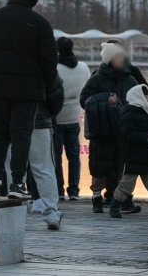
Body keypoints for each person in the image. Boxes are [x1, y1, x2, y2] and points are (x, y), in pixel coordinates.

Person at [0, 0, 58, 200]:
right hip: (28, 91)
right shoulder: (40, 24)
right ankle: (18, 182)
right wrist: (45, 86)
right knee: (22, 135)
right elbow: (49, 63)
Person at [80, 42, 139, 213]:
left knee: (122, 166)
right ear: (110, 59)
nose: (122, 59)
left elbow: (140, 98)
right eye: (118, 56)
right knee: (100, 165)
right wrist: (105, 99)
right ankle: (97, 198)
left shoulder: (129, 79)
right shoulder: (96, 79)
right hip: (101, 130)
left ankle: (122, 199)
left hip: (123, 130)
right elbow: (84, 100)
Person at [109, 85, 148, 220]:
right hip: (132, 156)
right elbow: (128, 135)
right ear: (138, 97)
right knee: (126, 185)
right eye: (145, 97)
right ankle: (114, 206)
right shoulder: (128, 114)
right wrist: (147, 137)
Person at [24, 77, 65, 230]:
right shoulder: (41, 62)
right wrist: (50, 112)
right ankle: (51, 212)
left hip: (8, 119)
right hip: (39, 117)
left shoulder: (1, 61)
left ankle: (13, 211)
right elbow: (56, 89)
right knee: (44, 168)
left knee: (12, 168)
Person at [54, 37, 89, 201]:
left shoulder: (54, 68)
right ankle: (74, 190)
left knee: (56, 156)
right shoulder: (83, 67)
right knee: (74, 156)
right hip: (75, 116)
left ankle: (59, 190)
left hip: (57, 117)